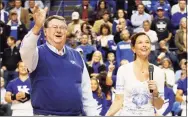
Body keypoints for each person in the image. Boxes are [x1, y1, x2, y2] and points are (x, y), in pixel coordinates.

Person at [19, 6, 99, 116]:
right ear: (45, 32)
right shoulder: (36, 54)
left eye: (62, 27)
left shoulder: (77, 55)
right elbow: (25, 49)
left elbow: (86, 91)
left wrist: (93, 114)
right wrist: (37, 27)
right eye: (54, 27)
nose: (58, 30)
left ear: (66, 32)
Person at [105, 32, 165, 116]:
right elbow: (118, 101)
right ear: (133, 48)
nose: (144, 45)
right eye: (140, 42)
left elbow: (159, 106)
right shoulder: (123, 70)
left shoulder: (158, 72)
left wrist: (155, 93)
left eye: (147, 42)